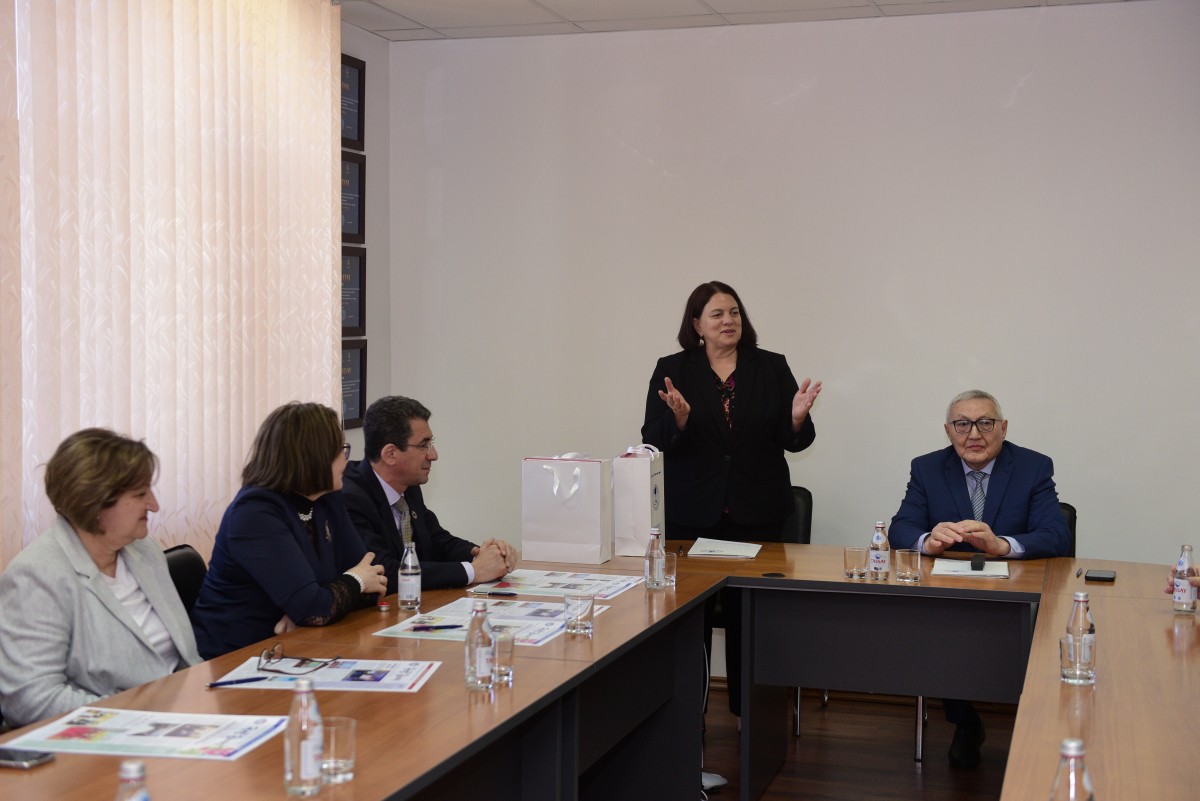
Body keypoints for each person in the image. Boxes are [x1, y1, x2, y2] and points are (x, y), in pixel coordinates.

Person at [641, 280, 821, 723]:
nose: (728, 321)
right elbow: (652, 440)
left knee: (751, 620)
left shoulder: (771, 366)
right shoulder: (673, 369)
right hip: (691, 516)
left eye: (734, 312)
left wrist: (797, 419)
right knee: (691, 620)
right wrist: (679, 420)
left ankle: (751, 719)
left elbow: (794, 440)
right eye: (718, 314)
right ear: (697, 324)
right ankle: (690, 718)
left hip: (758, 513)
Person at [888, 389, 1071, 768]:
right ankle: (965, 721)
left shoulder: (1033, 467)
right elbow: (901, 528)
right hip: (950, 595)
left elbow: (1057, 535)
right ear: (948, 430)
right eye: (962, 424)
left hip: (1016, 595)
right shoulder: (927, 468)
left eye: (985, 423)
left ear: (1003, 428)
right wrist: (927, 541)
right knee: (935, 626)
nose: (974, 434)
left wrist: (1002, 545)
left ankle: (1034, 725)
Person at [0, 429, 201, 727]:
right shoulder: (37, 575)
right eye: (140, 494)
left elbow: (186, 660)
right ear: (95, 503)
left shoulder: (144, 550)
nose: (154, 505)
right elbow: (31, 700)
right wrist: (135, 717)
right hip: (103, 737)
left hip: (180, 713)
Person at [191, 402, 387, 659]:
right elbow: (320, 606)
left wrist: (320, 603)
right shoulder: (255, 512)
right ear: (313, 457)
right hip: (236, 656)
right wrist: (350, 585)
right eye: (340, 450)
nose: (346, 460)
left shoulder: (327, 499)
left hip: (297, 645)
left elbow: (375, 580)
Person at [341, 395, 517, 589]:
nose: (433, 455)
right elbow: (383, 571)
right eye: (423, 445)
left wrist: (484, 553)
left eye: (431, 443)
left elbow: (436, 541)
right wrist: (475, 571)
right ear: (390, 454)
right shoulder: (350, 498)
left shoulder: (408, 486)